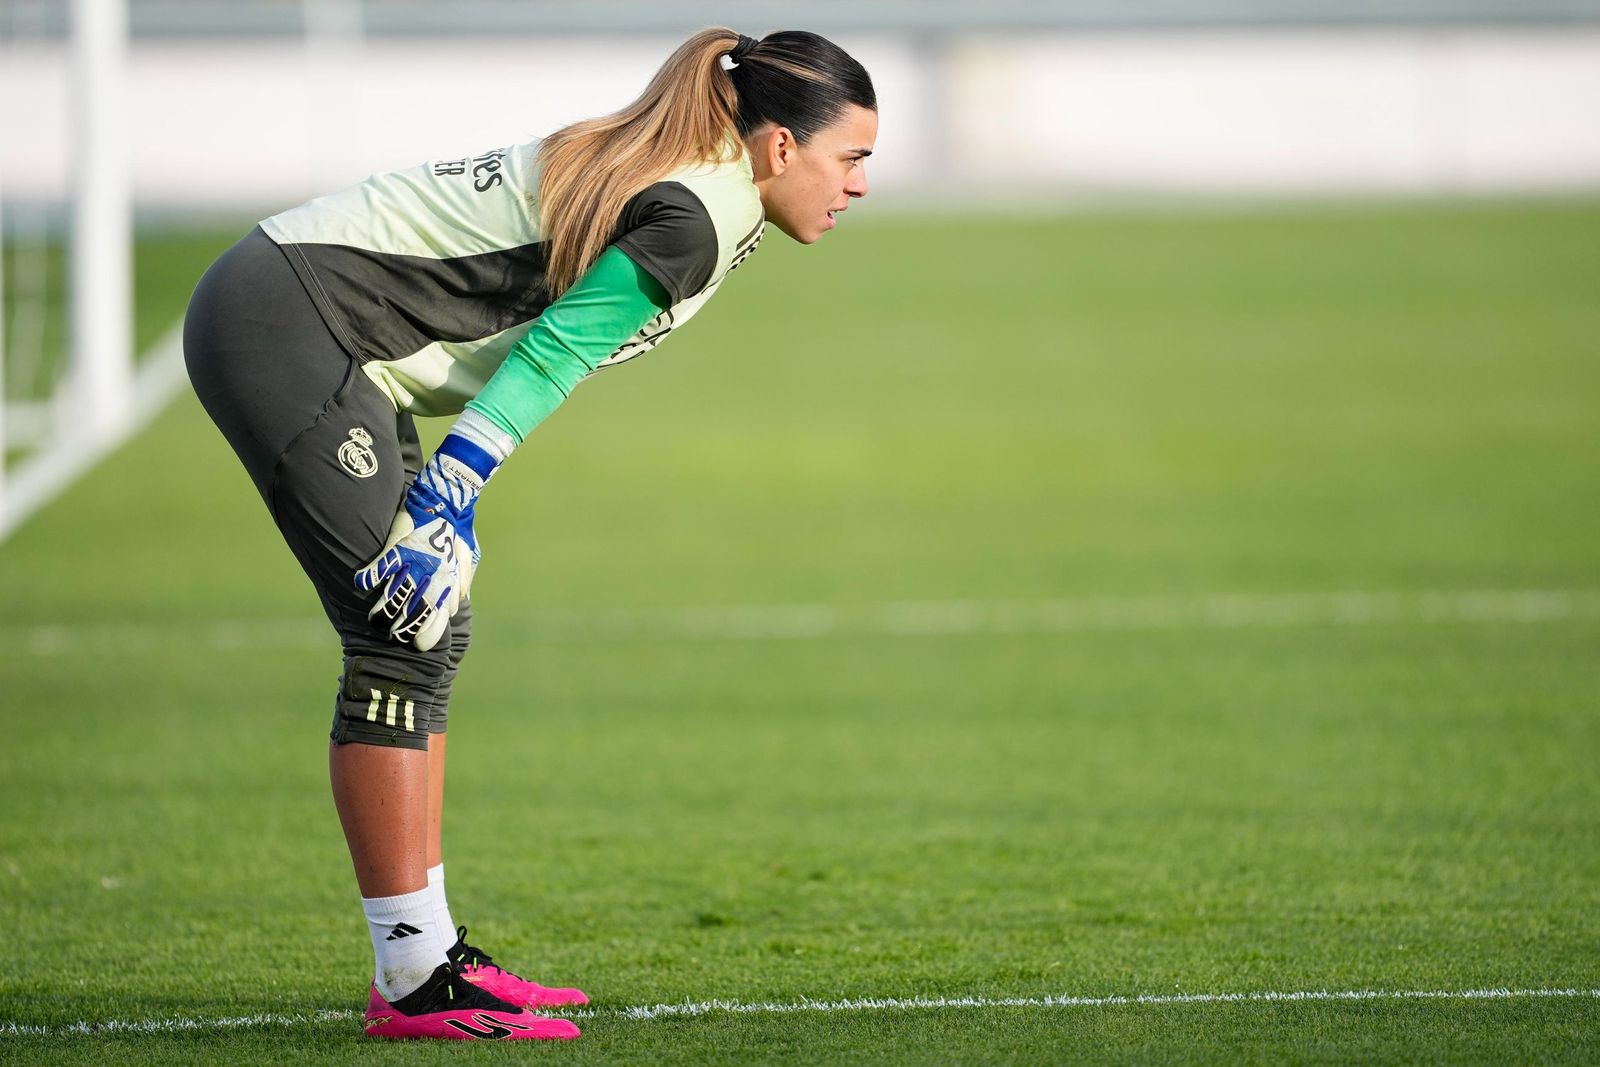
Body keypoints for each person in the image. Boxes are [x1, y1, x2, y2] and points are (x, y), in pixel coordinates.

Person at [182, 28, 876, 1041]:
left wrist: (452, 495)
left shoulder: (693, 171)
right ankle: (413, 977)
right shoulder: (701, 208)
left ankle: (426, 955)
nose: (859, 183)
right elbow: (552, 351)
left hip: (314, 324)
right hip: (285, 324)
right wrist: (454, 486)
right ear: (778, 147)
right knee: (400, 624)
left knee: (432, 624)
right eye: (849, 157)